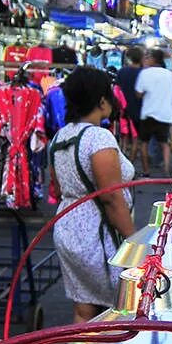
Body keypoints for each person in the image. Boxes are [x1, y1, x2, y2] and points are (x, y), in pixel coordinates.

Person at [49, 67, 138, 323]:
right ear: (102, 100)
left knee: (84, 307)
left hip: (68, 228)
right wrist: (135, 242)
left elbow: (57, 186)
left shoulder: (61, 136)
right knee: (117, 310)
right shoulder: (99, 138)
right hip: (98, 234)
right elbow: (110, 198)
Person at [134, 47, 172, 175]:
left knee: (144, 143)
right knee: (164, 143)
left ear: (154, 59)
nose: (146, 59)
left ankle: (146, 171)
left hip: (148, 113)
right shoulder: (169, 74)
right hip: (165, 114)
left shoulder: (144, 73)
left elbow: (138, 94)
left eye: (148, 57)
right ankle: (166, 170)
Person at [114, 45, 144, 161]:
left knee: (124, 136)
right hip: (140, 108)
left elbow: (117, 90)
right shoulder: (143, 72)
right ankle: (131, 162)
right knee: (137, 138)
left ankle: (123, 159)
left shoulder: (122, 72)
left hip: (124, 109)